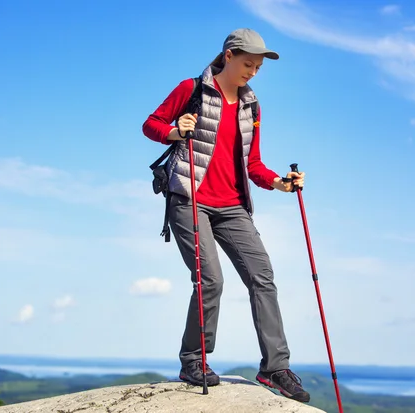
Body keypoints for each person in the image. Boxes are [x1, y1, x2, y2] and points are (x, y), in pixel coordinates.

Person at [142, 28, 310, 403]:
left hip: (232, 205)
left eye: (258, 66)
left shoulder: (252, 105)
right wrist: (173, 131)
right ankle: (193, 360)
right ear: (229, 55)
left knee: (262, 276)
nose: (253, 71)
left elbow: (252, 163)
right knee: (211, 279)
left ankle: (275, 368)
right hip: (190, 196)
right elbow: (150, 124)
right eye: (248, 63)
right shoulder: (192, 90)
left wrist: (280, 182)